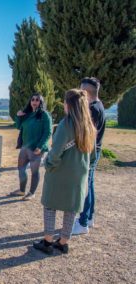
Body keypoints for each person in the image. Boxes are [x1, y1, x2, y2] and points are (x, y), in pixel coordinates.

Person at [33, 89, 96, 255]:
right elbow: (94, 153)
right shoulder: (89, 125)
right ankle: (63, 242)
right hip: (79, 174)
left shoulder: (66, 124)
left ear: (69, 105)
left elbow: (56, 151)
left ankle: (47, 241)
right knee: (71, 209)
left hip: (60, 172)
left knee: (50, 206)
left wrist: (48, 164)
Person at [72, 77, 106, 235]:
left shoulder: (92, 109)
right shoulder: (99, 105)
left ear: (86, 92)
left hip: (89, 151)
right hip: (95, 149)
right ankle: (89, 217)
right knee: (90, 184)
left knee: (85, 186)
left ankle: (83, 222)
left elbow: (88, 133)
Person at [9, 93, 52, 201]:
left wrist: (40, 146)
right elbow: (18, 126)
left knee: (34, 172)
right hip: (25, 147)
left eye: (37, 100)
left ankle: (32, 193)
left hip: (37, 149)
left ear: (41, 102)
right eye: (32, 99)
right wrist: (18, 116)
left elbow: (48, 132)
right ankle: (22, 190)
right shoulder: (27, 114)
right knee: (21, 169)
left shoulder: (45, 115)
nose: (34, 102)